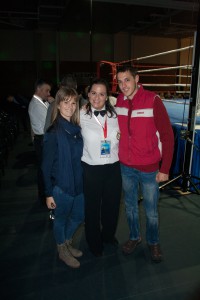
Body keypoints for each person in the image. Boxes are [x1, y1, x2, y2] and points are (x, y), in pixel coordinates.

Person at [115, 65, 174, 262]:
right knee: (130, 207)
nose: (123, 85)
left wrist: (165, 168)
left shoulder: (152, 100)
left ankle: (153, 242)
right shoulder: (119, 102)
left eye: (127, 80)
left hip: (149, 169)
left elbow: (167, 136)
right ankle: (134, 237)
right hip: (126, 167)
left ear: (136, 79)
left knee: (151, 211)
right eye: (120, 81)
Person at [41, 87, 84, 268]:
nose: (70, 106)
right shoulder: (53, 132)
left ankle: (66, 242)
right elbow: (45, 166)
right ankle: (62, 250)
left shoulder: (76, 129)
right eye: (66, 102)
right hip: (61, 186)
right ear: (58, 105)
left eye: (73, 102)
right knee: (60, 219)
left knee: (78, 216)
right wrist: (48, 193)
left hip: (79, 183)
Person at [80, 78, 122, 257]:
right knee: (92, 208)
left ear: (107, 97)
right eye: (94, 93)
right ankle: (93, 241)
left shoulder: (115, 114)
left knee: (112, 207)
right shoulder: (79, 115)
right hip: (91, 169)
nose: (97, 97)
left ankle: (108, 235)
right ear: (88, 94)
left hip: (113, 168)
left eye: (102, 94)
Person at [28, 79, 53, 206]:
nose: (48, 93)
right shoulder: (36, 105)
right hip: (42, 138)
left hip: (41, 138)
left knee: (44, 168)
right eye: (46, 90)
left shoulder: (41, 103)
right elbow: (49, 123)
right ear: (38, 89)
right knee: (45, 169)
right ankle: (44, 196)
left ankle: (44, 195)